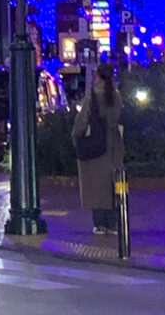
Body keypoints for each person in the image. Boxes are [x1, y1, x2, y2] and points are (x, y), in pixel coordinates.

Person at [72, 63, 123, 234]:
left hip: (95, 143)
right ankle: (114, 223)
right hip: (114, 144)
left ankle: (99, 223)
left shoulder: (93, 95)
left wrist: (76, 137)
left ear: (98, 77)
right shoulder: (116, 96)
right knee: (113, 183)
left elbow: (82, 120)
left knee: (95, 184)